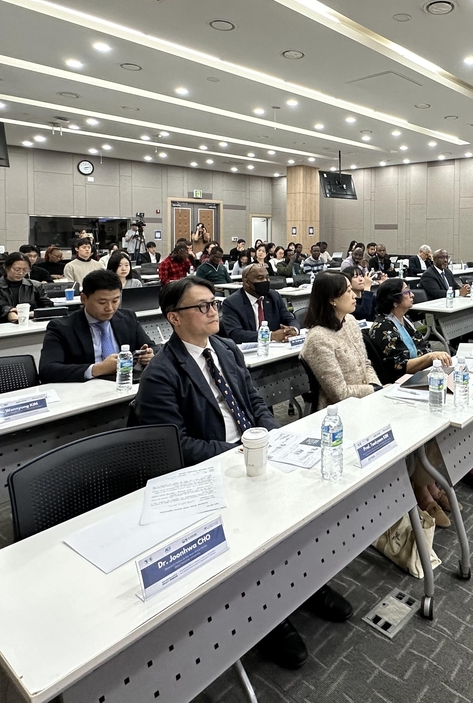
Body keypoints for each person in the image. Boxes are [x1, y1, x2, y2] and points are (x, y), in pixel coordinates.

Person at [132, 276, 353, 670]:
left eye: (213, 302)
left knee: (302, 508)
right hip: (213, 472)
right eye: (201, 306)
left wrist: (269, 435)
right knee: (252, 536)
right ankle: (268, 615)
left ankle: (306, 584)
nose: (213, 310)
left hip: (254, 453)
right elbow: (173, 447)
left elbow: (255, 400)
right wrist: (238, 452)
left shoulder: (226, 348)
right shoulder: (161, 374)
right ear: (174, 319)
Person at [368, 278, 473, 504]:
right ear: (395, 300)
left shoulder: (404, 321)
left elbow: (424, 349)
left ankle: (459, 464)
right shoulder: (381, 327)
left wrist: (434, 359)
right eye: (407, 292)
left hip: (423, 376)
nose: (412, 294)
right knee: (450, 404)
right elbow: (397, 366)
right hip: (402, 384)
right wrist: (429, 358)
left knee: (467, 389)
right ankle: (427, 487)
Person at [38, 269, 154, 383]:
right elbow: (47, 370)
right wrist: (98, 369)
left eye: (115, 301)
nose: (109, 308)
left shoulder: (128, 318)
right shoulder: (61, 328)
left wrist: (149, 355)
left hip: (125, 385)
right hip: (86, 392)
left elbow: (154, 348)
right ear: (84, 299)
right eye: (102, 302)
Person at [299, 271, 381, 410]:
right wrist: (374, 390)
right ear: (332, 300)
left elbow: (365, 363)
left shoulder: (350, 320)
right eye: (348, 291)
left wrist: (377, 388)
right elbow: (339, 394)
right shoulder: (318, 339)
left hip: (366, 400)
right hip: (339, 412)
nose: (354, 295)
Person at [219, 263, 299, 344]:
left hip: (276, 349)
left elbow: (290, 319)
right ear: (247, 282)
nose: (265, 281)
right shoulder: (232, 303)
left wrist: (292, 330)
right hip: (249, 351)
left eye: (267, 277)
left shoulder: (274, 296)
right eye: (260, 278)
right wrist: (270, 336)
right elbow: (235, 334)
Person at [0, 252, 53, 324]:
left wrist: (36, 313)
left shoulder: (36, 286)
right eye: (17, 269)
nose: (21, 273)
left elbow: (47, 305)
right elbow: (1, 307)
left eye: (25, 270)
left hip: (33, 323)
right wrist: (15, 314)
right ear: (6, 267)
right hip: (2, 327)